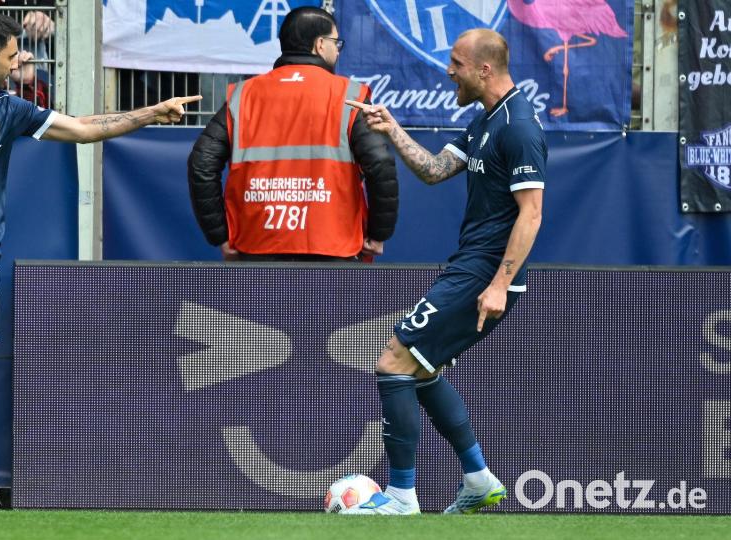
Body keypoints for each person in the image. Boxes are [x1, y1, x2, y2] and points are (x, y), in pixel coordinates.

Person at [0, 10, 199, 512]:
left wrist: (151, 112)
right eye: (11, 54)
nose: (18, 61)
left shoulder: (9, 108)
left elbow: (83, 128)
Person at [343, 28, 545, 514]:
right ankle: (478, 479)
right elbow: (434, 170)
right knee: (422, 370)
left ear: (484, 69)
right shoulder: (485, 121)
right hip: (471, 266)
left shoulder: (518, 126)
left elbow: (532, 212)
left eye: (456, 63)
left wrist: (499, 284)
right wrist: (392, 129)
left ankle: (401, 498)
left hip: (483, 274)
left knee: (393, 362)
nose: (448, 71)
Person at [187, 6, 397, 261]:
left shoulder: (244, 95)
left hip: (257, 244)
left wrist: (220, 235)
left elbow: (202, 163)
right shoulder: (350, 95)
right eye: (336, 42)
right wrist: (378, 234)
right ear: (320, 44)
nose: (338, 50)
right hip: (333, 245)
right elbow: (380, 164)